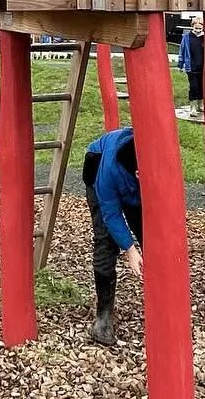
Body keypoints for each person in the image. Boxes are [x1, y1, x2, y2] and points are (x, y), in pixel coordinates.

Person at [83, 127, 142, 347]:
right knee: (106, 241)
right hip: (98, 169)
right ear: (136, 173)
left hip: (130, 183)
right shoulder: (107, 173)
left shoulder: (153, 152)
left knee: (149, 232)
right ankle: (103, 319)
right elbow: (111, 214)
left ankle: (161, 302)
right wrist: (130, 249)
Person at [177, 15, 205, 119]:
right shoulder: (186, 37)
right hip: (191, 67)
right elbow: (182, 51)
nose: (198, 30)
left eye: (200, 28)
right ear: (192, 27)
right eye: (196, 28)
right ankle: (192, 107)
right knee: (193, 87)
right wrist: (180, 64)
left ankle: (200, 105)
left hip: (203, 67)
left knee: (202, 86)